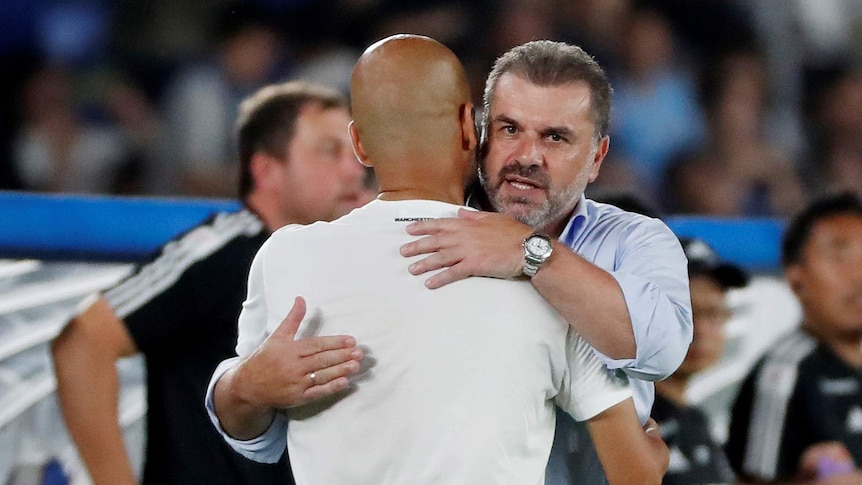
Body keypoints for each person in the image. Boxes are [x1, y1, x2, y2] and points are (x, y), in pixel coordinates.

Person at [207, 34, 668, 485]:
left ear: (359, 144)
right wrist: (653, 453)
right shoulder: (544, 277)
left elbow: (250, 432)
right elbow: (633, 474)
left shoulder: (286, 257)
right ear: (471, 127)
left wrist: (244, 386)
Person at [398, 40, 693, 484]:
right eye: (509, 129)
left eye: (555, 137)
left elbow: (661, 350)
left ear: (597, 157)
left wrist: (532, 253)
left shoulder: (635, 239)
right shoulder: (424, 230)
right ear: (480, 134)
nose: (527, 157)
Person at [50, 81, 370, 485]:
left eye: (355, 151)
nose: (354, 168)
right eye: (330, 151)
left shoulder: (347, 256)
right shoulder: (219, 250)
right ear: (267, 170)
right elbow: (82, 342)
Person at [725, 192, 862, 484]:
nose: (858, 275)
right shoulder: (783, 372)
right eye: (840, 257)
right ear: (796, 277)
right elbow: (749, 481)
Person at [653, 238, 749, 484]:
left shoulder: (695, 419)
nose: (701, 331)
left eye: (714, 313)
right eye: (685, 311)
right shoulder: (629, 415)